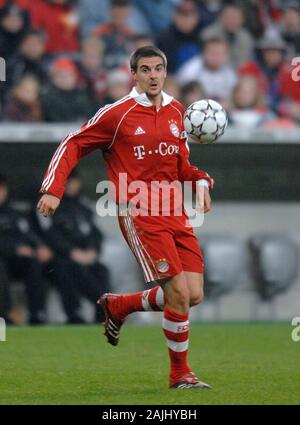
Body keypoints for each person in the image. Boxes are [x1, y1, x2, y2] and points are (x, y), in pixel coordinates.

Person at [37, 46, 214, 389]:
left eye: (158, 69)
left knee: (193, 294)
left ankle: (120, 304)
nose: (152, 75)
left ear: (165, 72)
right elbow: (73, 143)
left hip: (174, 211)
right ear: (133, 74)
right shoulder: (116, 114)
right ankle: (181, 375)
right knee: (177, 292)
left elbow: (182, 166)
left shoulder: (179, 111)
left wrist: (202, 181)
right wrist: (53, 188)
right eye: (145, 69)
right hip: (140, 213)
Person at [36, 171, 111, 324]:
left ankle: (101, 314)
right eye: (67, 182)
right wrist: (72, 252)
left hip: (84, 257)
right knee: (68, 268)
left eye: (74, 181)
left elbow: (95, 234)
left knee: (102, 269)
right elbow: (50, 235)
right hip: (59, 259)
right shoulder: (50, 204)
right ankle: (78, 313)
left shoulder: (84, 209)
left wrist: (92, 251)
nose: (71, 185)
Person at [0, 174, 52, 324]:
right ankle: (5, 315)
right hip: (3, 259)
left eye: (2, 188)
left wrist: (39, 247)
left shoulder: (15, 214)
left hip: (17, 262)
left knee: (34, 264)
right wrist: (14, 248)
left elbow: (28, 234)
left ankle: (37, 315)